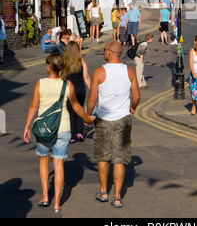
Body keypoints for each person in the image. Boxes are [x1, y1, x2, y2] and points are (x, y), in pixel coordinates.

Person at [23, 52, 94, 212]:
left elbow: (33, 107)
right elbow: (76, 107)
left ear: (48, 67)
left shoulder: (40, 83)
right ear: (62, 67)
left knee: (43, 160)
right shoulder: (68, 85)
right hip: (63, 128)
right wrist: (87, 119)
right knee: (59, 163)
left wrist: (27, 126)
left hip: (43, 129)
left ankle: (45, 196)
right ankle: (57, 202)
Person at [87, 41, 140, 208]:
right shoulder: (129, 71)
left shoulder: (99, 71)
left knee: (102, 156)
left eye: (104, 50)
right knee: (119, 158)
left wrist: (89, 114)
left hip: (103, 119)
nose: (104, 52)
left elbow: (93, 98)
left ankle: (103, 191)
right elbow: (137, 96)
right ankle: (117, 197)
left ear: (110, 52)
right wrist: (132, 107)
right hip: (123, 119)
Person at [62, 41, 91, 143]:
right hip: (80, 89)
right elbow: (86, 77)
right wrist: (92, 89)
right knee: (79, 110)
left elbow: (62, 77)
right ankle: (80, 132)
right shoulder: (82, 61)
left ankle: (72, 135)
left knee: (70, 112)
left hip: (69, 89)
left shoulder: (64, 62)